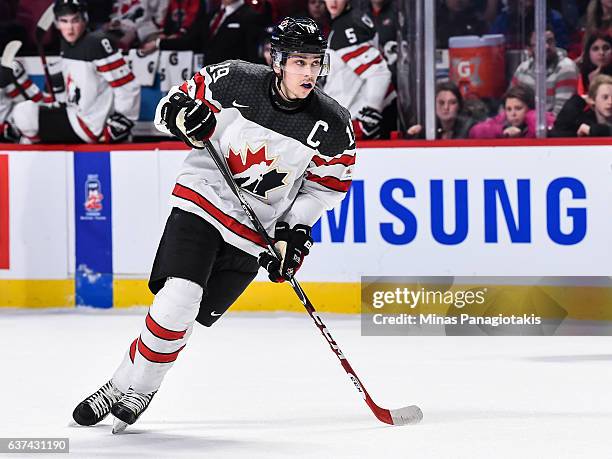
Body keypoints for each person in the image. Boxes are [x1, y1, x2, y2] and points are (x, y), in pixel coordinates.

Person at [71, 17, 356, 433]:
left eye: (315, 63)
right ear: (277, 60)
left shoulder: (333, 125)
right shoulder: (234, 79)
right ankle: (143, 389)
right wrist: (186, 119)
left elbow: (322, 189)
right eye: (299, 62)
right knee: (179, 297)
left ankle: (120, 383)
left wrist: (294, 234)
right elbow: (169, 108)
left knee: (187, 318)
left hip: (253, 229)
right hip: (202, 198)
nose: (309, 72)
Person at [1, 0, 140, 144]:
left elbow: (127, 84)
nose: (70, 28)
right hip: (74, 114)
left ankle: (40, 149)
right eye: (64, 21)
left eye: (75, 20)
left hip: (90, 126)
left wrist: (123, 120)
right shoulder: (67, 45)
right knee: (27, 121)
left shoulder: (97, 44)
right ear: (56, 23)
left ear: (84, 19)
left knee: (24, 114)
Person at [322, 0, 393, 139]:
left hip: (350, 125)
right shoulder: (354, 20)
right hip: (343, 123)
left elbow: (379, 72)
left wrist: (371, 113)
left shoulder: (346, 27)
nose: (333, 1)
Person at [510, 28, 578, 116]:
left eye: (550, 41)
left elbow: (561, 115)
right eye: (540, 42)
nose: (546, 46)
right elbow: (509, 102)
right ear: (530, 49)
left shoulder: (566, 68)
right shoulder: (523, 69)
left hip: (551, 127)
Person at [469, 84, 555, 138]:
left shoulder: (539, 118)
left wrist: (530, 115)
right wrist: (503, 131)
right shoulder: (503, 119)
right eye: (508, 109)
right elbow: (475, 131)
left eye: (518, 108)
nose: (513, 114)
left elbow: (545, 123)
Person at [406, 81, 476, 139]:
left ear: (459, 105)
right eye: (441, 103)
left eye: (452, 102)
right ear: (433, 105)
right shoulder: (428, 129)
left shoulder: (470, 129)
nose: (446, 107)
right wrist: (412, 135)